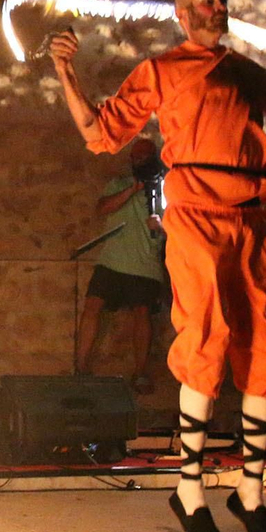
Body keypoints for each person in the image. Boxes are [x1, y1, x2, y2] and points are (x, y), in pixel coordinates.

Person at [50, 0, 266, 532]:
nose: (217, 6)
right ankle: (189, 488)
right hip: (196, 212)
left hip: (252, 217)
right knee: (208, 337)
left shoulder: (242, 69)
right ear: (182, 14)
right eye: (206, 0)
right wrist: (66, 72)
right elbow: (100, 133)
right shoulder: (161, 70)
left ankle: (251, 494)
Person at [73, 137, 166, 392]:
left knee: (142, 313)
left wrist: (161, 226)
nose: (138, 162)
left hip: (145, 264)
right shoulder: (120, 184)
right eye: (134, 157)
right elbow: (103, 208)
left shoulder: (166, 190)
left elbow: (179, 224)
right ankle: (80, 367)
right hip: (112, 261)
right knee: (92, 306)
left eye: (143, 158)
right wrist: (132, 190)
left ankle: (140, 373)